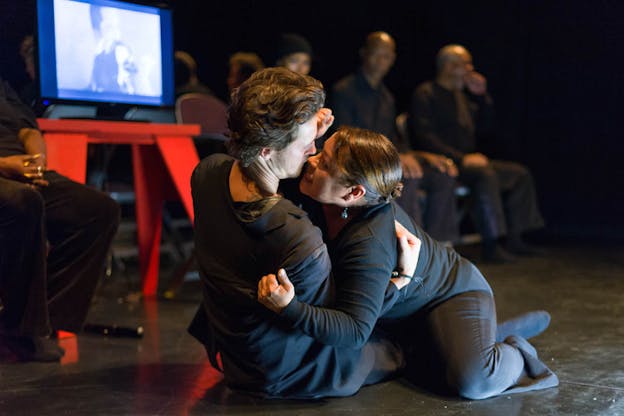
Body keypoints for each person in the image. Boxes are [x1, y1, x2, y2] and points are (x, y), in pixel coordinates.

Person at [258, 126, 558, 400]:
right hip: (402, 310)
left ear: (354, 192)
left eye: (324, 163)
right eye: (321, 151)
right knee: (422, 364)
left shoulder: (370, 240)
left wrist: (290, 308)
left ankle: (516, 353)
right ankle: (480, 337)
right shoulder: (317, 189)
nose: (311, 161)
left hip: (450, 295)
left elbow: (353, 331)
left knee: (473, 381)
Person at [188, 67, 417, 399]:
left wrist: (302, 133)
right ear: (267, 150)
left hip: (233, 357)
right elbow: (347, 327)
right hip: (294, 372)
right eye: (308, 144)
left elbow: (264, 177)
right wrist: (400, 280)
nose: (313, 152)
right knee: (406, 345)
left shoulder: (207, 172)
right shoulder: (296, 235)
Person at [0, 77, 120, 362]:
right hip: (5, 168)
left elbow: (28, 128)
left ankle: (40, 322)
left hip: (20, 167)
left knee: (98, 210)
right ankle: (23, 330)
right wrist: (5, 165)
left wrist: (36, 161)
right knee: (22, 202)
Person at [408, 44, 545, 262]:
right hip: (443, 163)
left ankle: (516, 237)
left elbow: (486, 128)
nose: (470, 69)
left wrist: (482, 97)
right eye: (466, 64)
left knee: (519, 174)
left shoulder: (463, 97)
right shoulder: (426, 93)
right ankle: (492, 242)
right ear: (450, 66)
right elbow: (425, 136)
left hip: (469, 161)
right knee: (485, 175)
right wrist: (461, 158)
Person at [330, 32, 460, 244]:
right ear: (364, 54)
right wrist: (398, 157)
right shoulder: (344, 90)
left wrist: (422, 156)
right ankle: (412, 245)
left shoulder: (386, 97)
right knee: (405, 177)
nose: (382, 60)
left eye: (388, 55)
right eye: (377, 54)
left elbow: (391, 139)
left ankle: (439, 246)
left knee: (442, 175)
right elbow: (346, 140)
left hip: (385, 160)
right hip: (359, 164)